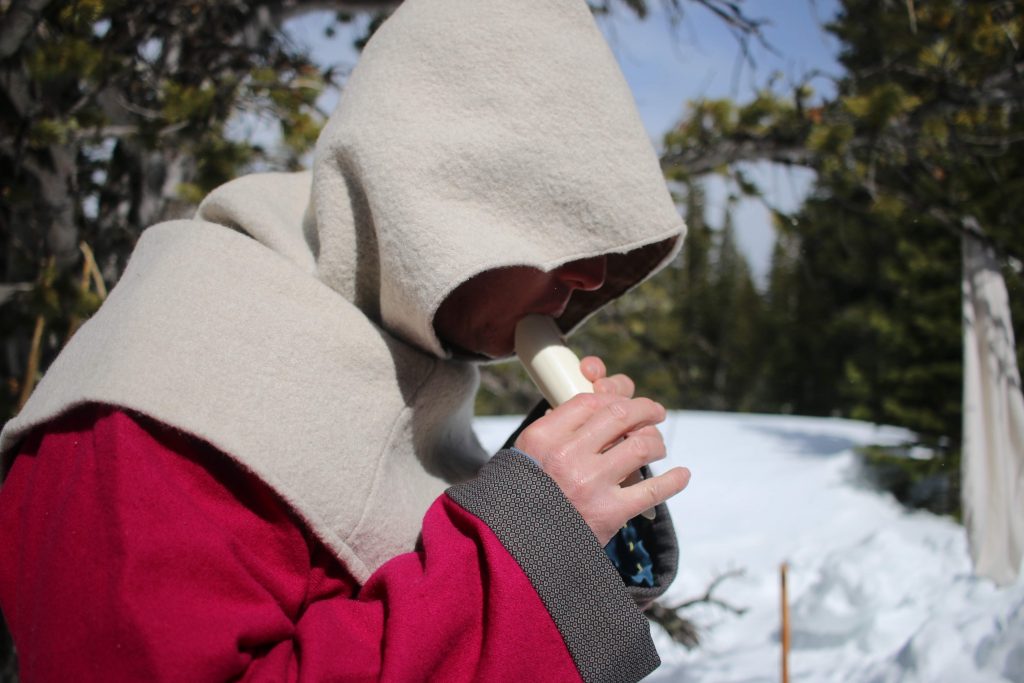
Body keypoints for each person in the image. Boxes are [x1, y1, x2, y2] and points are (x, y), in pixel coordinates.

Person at [0, 0, 690, 681]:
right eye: (549, 217)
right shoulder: (157, 406)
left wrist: (573, 521)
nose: (593, 273)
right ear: (433, 203)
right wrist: (521, 556)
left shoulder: (400, 375)